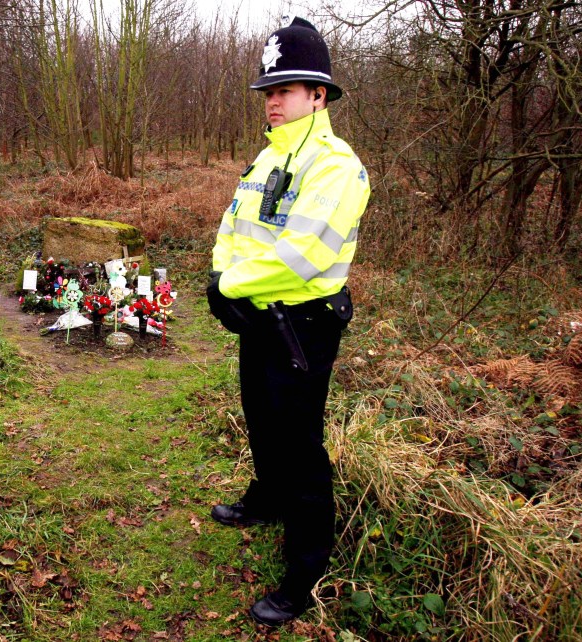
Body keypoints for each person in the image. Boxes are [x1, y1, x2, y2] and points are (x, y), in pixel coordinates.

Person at [206, 16, 370, 626]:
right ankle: (264, 500)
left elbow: (306, 255)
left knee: (298, 445)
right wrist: (223, 277)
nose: (273, 101)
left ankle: (305, 574)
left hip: (302, 324)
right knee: (259, 415)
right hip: (258, 315)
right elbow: (233, 226)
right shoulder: (268, 157)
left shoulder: (336, 166)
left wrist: (228, 285)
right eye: (268, 91)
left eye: (286, 90)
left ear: (318, 95)